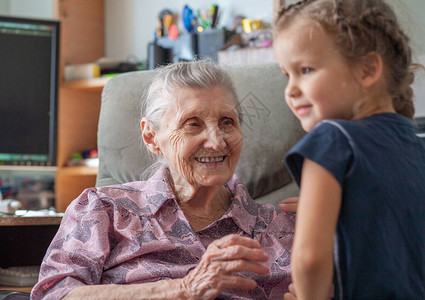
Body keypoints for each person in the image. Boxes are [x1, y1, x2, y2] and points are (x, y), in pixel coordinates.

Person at [31, 60, 296, 300]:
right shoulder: (105, 211)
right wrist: (183, 289)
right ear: (151, 137)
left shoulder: (284, 228)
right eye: (193, 124)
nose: (217, 142)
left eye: (227, 122)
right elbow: (54, 295)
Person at [273, 0, 425, 299]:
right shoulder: (416, 143)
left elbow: (310, 258)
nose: (290, 90)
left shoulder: (331, 139)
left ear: (368, 70)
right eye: (286, 75)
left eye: (306, 69)